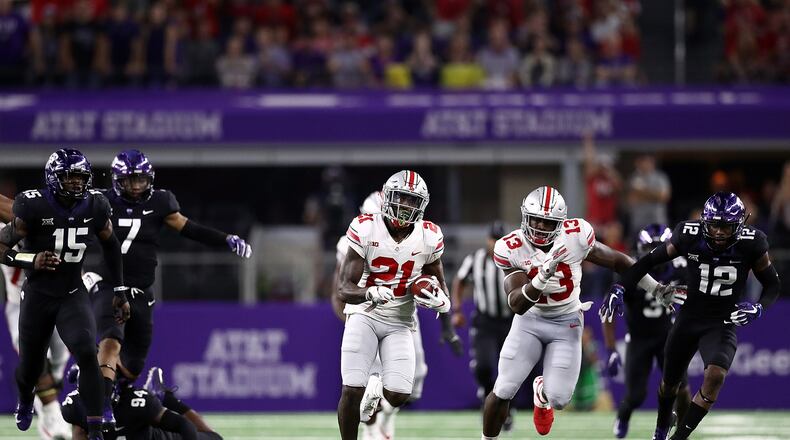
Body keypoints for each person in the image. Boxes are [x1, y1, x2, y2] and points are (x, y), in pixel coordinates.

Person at [481, 186, 684, 439]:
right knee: (504, 388)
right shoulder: (511, 247)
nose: (541, 228)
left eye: (548, 222)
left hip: (566, 321)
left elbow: (620, 261)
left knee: (560, 399)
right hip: (530, 321)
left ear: (560, 223)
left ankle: (542, 393)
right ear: (525, 217)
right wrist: (542, 277)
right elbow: (517, 304)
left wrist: (655, 288)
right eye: (536, 221)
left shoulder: (575, 235)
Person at [88, 149, 252, 427]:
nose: (136, 186)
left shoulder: (161, 201)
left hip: (142, 290)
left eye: (140, 179)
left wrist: (226, 239)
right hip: (111, 284)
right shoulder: (100, 202)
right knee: (111, 342)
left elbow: (189, 228)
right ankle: (101, 406)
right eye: (130, 180)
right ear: (117, 180)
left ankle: (92, 371)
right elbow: (72, 229)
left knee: (134, 365)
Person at [599, 192, 781, 440]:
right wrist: (620, 287)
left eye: (725, 226)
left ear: (739, 225)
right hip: (689, 319)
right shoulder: (689, 235)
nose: (718, 232)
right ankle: (661, 428)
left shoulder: (753, 243)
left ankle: (678, 438)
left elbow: (772, 285)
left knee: (715, 375)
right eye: (714, 225)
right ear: (705, 222)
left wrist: (759, 308)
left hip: (722, 321)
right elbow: (648, 261)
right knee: (669, 385)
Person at [0, 149, 133, 440]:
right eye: (69, 176)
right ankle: (31, 403)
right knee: (32, 365)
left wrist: (120, 289)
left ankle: (96, 426)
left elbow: (111, 244)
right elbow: (4, 244)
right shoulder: (29, 209)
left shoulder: (94, 204)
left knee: (84, 351)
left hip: (71, 291)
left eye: (80, 177)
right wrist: (30, 260)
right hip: (33, 293)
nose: (76, 183)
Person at [332, 190, 461, 440]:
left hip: (400, 318)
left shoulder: (428, 236)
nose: (404, 209)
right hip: (365, 313)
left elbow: (439, 281)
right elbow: (342, 289)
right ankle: (366, 429)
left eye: (411, 202)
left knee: (402, 391)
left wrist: (442, 304)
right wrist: (369, 292)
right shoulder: (363, 229)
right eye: (400, 200)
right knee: (352, 387)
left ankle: (377, 393)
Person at [601, 223, 691, 438]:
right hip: (639, 338)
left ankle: (682, 431)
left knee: (682, 388)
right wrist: (611, 348)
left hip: (668, 336)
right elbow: (608, 312)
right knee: (636, 396)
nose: (655, 253)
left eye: (660, 247)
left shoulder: (682, 267)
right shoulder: (632, 270)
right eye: (650, 247)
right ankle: (623, 416)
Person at [452, 221, 532, 431]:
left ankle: (507, 408)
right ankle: (488, 396)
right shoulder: (475, 260)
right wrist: (457, 309)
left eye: (499, 240)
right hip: (485, 321)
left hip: (510, 320)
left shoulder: (513, 260)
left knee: (512, 369)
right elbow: (459, 281)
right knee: (484, 367)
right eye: (492, 239)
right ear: (487, 240)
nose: (495, 243)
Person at [62, 366, 222, 440]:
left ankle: (167, 399)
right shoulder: (75, 407)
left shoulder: (136, 402)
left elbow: (183, 425)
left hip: (162, 437)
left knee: (215, 438)